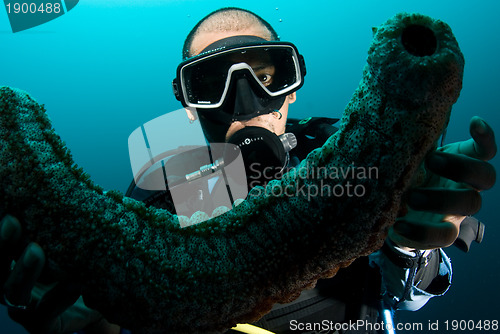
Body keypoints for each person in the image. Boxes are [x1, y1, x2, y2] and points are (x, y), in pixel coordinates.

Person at [0, 7, 496, 334]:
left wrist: (413, 243)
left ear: (293, 85)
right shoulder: (161, 196)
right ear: (189, 105)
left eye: (265, 75)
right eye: (211, 82)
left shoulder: (345, 156)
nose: (244, 103)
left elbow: (404, 301)